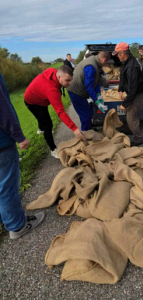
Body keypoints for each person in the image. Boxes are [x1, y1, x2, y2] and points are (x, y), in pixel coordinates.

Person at [0, 73, 45, 239]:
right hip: (2, 143)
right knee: (7, 186)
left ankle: (6, 218)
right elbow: (2, 109)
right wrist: (19, 136)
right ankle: (17, 226)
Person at [24, 65, 84, 159]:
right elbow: (60, 112)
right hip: (32, 102)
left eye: (71, 80)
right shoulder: (52, 90)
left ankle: (40, 129)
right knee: (48, 124)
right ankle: (53, 150)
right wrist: (74, 129)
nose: (70, 83)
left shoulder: (53, 71)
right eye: (67, 80)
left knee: (42, 117)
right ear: (59, 77)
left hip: (40, 97)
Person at [113, 42, 143, 146]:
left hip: (138, 94)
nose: (117, 56)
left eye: (118, 54)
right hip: (132, 92)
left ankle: (138, 138)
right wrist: (120, 89)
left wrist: (125, 103)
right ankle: (129, 128)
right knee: (129, 114)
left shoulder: (132, 66)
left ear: (123, 53)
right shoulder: (125, 62)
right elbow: (122, 77)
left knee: (131, 116)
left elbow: (133, 89)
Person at [67, 51, 110, 131]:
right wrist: (97, 102)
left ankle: (88, 128)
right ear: (104, 60)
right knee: (85, 115)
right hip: (76, 92)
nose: (105, 64)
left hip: (79, 91)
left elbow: (96, 81)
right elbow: (89, 87)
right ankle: (86, 134)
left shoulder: (95, 63)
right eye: (106, 62)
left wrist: (99, 95)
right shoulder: (91, 66)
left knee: (87, 113)